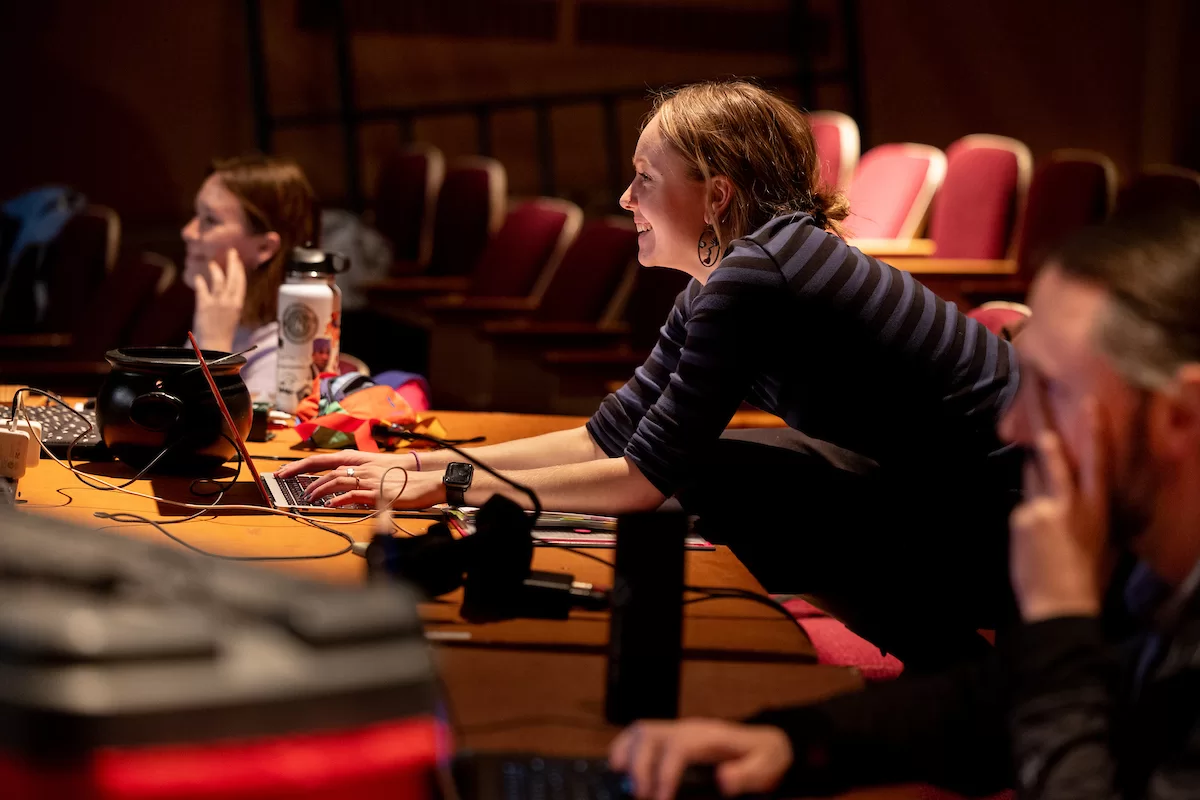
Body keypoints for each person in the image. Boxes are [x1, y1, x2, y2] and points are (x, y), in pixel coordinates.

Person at [278, 80, 1021, 666]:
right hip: (949, 494)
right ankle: (948, 665)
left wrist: (446, 485)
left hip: (1009, 520)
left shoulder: (753, 277)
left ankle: (957, 674)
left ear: (718, 195)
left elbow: (641, 477)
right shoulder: (732, 272)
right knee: (721, 471)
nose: (627, 200)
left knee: (711, 479)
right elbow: (610, 437)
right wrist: (424, 465)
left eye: (643, 179)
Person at [608, 209, 1200, 800]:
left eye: (1055, 391)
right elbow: (993, 699)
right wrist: (791, 742)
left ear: (1179, 416)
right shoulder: (1147, 571)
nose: (1016, 424)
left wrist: (1061, 622)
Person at [181, 154, 316, 401]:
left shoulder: (284, 353)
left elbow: (216, 434)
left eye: (209, 220)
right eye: (195, 215)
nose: (188, 232)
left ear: (264, 248)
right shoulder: (222, 319)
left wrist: (214, 346)